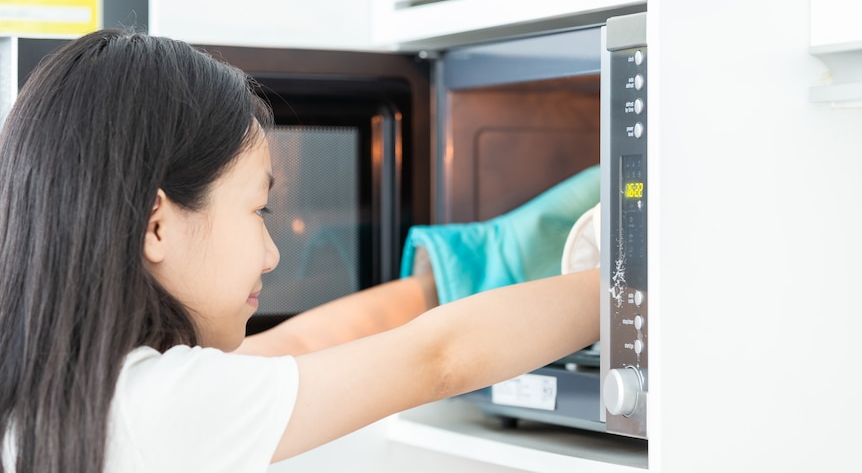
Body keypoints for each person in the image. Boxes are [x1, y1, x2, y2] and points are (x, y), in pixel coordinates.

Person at [0, 29, 599, 473]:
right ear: (156, 226)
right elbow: (439, 358)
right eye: (258, 210)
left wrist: (455, 270)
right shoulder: (161, 408)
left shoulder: (79, 392)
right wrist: (632, 278)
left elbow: (303, 343)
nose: (272, 255)